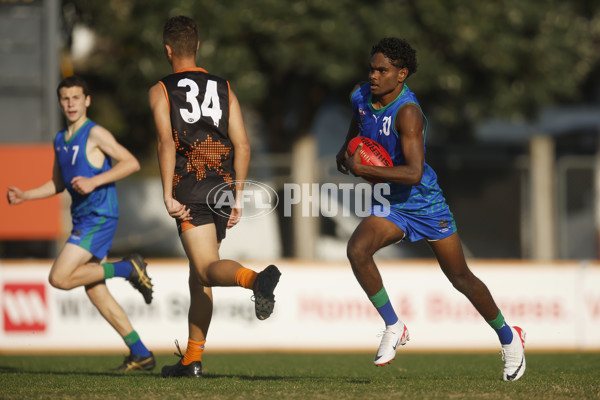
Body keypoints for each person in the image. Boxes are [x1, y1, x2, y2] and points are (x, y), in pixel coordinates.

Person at [335, 37, 526, 381]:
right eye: (372, 68)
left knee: (460, 278)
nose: (374, 76)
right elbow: (358, 122)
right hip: (392, 205)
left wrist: (365, 169)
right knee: (357, 250)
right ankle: (394, 325)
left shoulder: (408, 113)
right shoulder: (360, 95)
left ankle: (509, 338)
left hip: (424, 204)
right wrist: (345, 149)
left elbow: (414, 173)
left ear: (402, 74)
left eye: (383, 70)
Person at [149, 15, 281, 378]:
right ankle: (192, 359)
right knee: (198, 277)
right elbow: (242, 144)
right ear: (198, 47)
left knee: (206, 269)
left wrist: (166, 194)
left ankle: (256, 280)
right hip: (221, 191)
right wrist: (237, 196)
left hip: (189, 190)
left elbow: (164, 142)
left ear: (167, 49)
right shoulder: (224, 88)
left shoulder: (161, 90)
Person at [7, 75, 155, 371]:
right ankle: (141, 354)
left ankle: (127, 267)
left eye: (76, 97)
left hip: (99, 217)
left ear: (87, 101)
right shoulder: (60, 139)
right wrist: (26, 195)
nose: (71, 103)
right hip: (83, 218)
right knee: (95, 289)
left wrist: (95, 180)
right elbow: (58, 183)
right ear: (60, 102)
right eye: (65, 98)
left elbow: (131, 162)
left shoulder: (96, 133)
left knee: (59, 278)